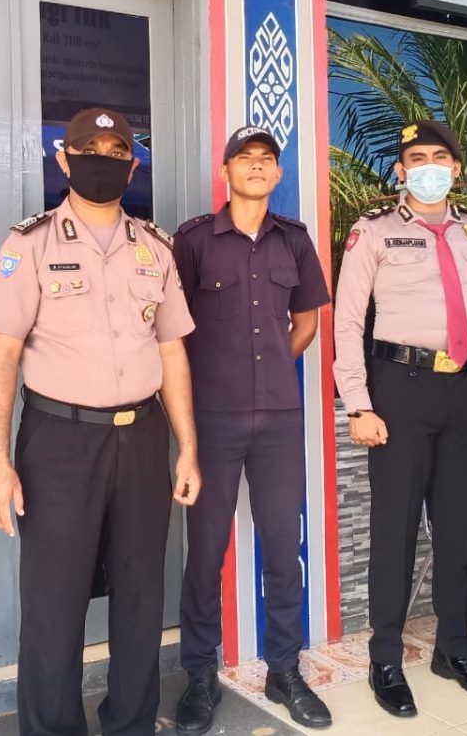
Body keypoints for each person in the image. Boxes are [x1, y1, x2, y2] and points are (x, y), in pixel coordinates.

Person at [0, 107, 201, 736]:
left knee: (140, 595)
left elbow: (171, 351)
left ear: (132, 165)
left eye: (116, 151)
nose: (103, 160)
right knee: (54, 602)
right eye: (89, 149)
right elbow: (1, 356)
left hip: (143, 437)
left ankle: (131, 724)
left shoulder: (156, 248)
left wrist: (187, 447)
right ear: (64, 159)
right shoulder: (29, 244)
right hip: (59, 441)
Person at [332, 120, 467, 718]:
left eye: (440, 157)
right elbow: (346, 322)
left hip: (465, 392)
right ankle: (386, 658)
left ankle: (454, 649)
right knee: (394, 531)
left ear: (457, 168)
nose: (429, 167)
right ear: (401, 170)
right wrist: (358, 403)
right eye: (417, 158)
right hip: (400, 390)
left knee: (459, 528)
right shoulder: (372, 231)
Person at [172, 126, 333, 733]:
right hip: (212, 421)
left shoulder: (294, 240)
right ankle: (199, 674)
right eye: (245, 158)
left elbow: (306, 322)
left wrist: (267, 371)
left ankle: (284, 670)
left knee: (284, 550)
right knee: (206, 551)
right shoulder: (193, 241)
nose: (257, 166)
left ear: (278, 173)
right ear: (226, 171)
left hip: (279, 420)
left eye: (267, 159)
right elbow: (170, 330)